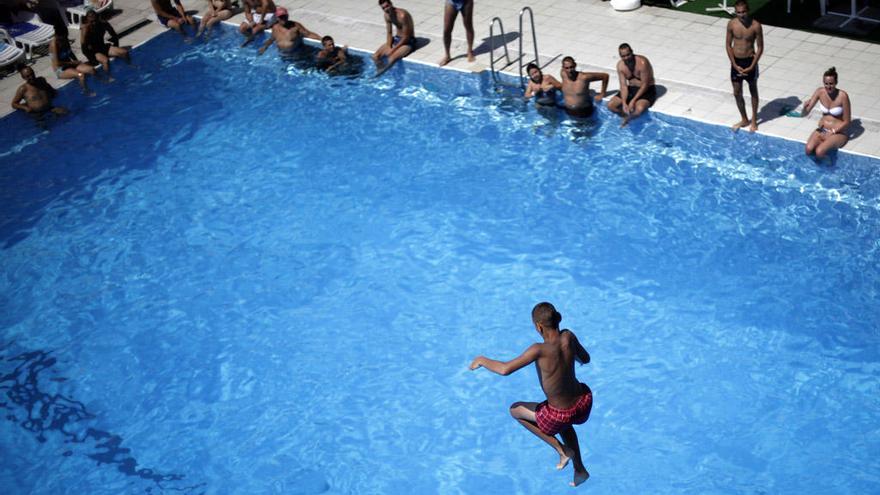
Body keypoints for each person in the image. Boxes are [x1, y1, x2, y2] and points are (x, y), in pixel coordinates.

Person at [470, 302, 592, 488]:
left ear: (538, 326)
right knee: (565, 422)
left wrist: (481, 360)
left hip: (559, 414)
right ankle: (580, 470)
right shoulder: (568, 336)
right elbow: (585, 359)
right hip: (583, 403)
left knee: (515, 410)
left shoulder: (538, 350)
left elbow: (504, 370)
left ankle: (561, 450)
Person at [726, 0, 763, 132]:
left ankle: (753, 120)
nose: (741, 15)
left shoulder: (755, 26)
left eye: (743, 12)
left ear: (748, 11)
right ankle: (744, 118)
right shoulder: (732, 24)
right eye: (738, 12)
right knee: (736, 92)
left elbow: (760, 48)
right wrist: (734, 64)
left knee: (753, 90)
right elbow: (728, 45)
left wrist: (753, 65)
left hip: (749, 61)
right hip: (736, 62)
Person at [800, 67, 851, 160]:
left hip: (838, 132)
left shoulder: (843, 96)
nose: (828, 86)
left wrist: (833, 132)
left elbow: (847, 121)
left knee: (820, 152)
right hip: (822, 130)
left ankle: (830, 168)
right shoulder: (820, 92)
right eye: (826, 84)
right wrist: (804, 108)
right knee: (808, 150)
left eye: (831, 83)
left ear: (836, 82)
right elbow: (804, 114)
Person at [607, 43, 656, 127]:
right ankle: (625, 116)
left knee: (639, 110)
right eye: (623, 56)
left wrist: (633, 100)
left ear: (632, 52)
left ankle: (628, 119)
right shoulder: (620, 66)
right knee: (611, 105)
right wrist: (624, 102)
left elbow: (645, 84)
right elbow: (623, 86)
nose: (626, 58)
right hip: (631, 89)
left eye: (628, 55)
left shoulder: (642, 62)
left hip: (646, 89)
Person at [80, 9, 130, 82]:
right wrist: (92, 59)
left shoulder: (103, 24)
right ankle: (108, 76)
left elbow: (114, 35)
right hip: (94, 51)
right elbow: (83, 47)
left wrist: (116, 46)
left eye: (94, 18)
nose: (93, 21)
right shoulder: (85, 28)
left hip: (103, 47)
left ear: (97, 17)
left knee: (124, 52)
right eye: (91, 19)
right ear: (87, 19)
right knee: (105, 61)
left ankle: (129, 65)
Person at [371, 0, 415, 77]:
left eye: (387, 6)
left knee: (392, 58)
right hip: (397, 39)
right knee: (375, 56)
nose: (386, 9)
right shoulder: (387, 15)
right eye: (383, 8)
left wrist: (392, 50)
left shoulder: (402, 15)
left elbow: (406, 37)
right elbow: (389, 33)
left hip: (408, 41)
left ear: (391, 4)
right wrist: (388, 46)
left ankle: (381, 74)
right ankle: (381, 70)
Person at [439, 0, 474, 66]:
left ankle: (470, 51)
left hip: (466, 2)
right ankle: (447, 55)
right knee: (447, 29)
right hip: (452, 2)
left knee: (468, 26)